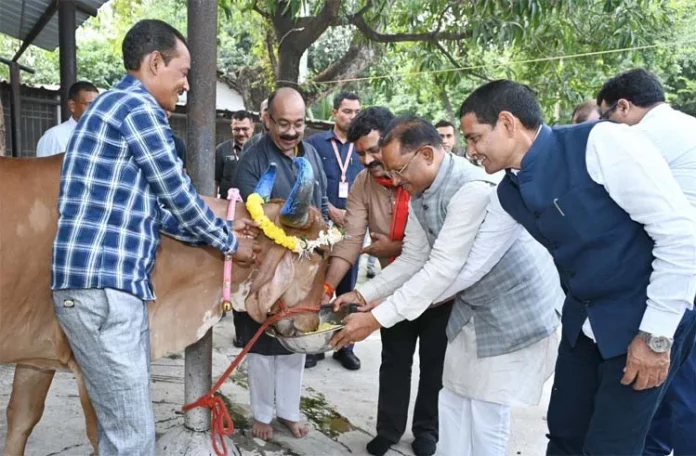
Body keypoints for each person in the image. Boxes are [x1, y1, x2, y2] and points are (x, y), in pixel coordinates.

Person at [50, 20, 256, 455]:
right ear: (154, 62)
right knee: (134, 439)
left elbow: (159, 211)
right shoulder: (137, 108)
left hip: (93, 288)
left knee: (118, 430)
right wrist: (229, 241)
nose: (185, 85)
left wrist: (223, 229)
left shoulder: (111, 107)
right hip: (105, 289)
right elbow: (178, 195)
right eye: (182, 72)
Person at [458, 79, 696, 455]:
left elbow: (681, 235)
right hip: (582, 321)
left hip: (643, 319)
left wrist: (656, 336)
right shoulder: (508, 191)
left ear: (507, 123)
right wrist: (386, 306)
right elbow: (470, 263)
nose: (470, 151)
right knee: (565, 435)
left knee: (611, 447)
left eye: (475, 138)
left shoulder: (602, 143)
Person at [331, 116, 562, 456]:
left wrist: (377, 318)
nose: (395, 180)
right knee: (454, 400)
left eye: (399, 170)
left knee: (484, 414)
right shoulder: (421, 189)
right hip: (472, 310)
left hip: (509, 314)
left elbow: (441, 268)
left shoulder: (471, 189)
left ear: (427, 154)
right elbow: (412, 257)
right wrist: (364, 293)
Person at [322, 107, 450, 455]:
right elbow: (351, 239)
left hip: (441, 290)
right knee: (395, 359)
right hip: (390, 287)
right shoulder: (364, 184)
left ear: (395, 141)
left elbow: (438, 251)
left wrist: (393, 245)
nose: (367, 159)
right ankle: (389, 429)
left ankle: (427, 430)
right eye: (360, 152)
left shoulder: (426, 177)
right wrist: (328, 288)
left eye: (373, 149)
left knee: (434, 363)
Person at [596, 68, 696, 456]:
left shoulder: (638, 138)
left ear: (623, 106)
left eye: (606, 117)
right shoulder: (685, 125)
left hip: (680, 279)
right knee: (676, 390)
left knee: (677, 391)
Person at [232, 86, 329, 441]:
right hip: (262, 268)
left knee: (294, 343)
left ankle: (288, 410)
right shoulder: (253, 159)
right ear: (267, 119)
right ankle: (261, 413)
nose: (291, 132)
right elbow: (250, 217)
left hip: (302, 268)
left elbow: (320, 203)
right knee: (261, 347)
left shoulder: (312, 154)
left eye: (299, 124)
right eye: (283, 123)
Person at [305, 92, 363, 370]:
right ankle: (314, 344)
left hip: (353, 227)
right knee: (318, 283)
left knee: (347, 287)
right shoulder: (315, 144)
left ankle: (344, 345)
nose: (352, 117)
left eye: (356, 112)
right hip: (322, 225)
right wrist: (328, 209)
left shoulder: (362, 147)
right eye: (347, 111)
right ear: (334, 113)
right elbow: (309, 182)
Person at [36, 81, 99, 157]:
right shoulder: (54, 136)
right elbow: (43, 168)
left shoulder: (102, 135)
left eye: (98, 104)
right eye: (89, 104)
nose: (96, 109)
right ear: (72, 105)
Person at [215, 109, 254, 199]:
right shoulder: (221, 150)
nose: (241, 133)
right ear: (231, 127)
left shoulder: (260, 150)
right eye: (236, 129)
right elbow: (215, 181)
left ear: (253, 127)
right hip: (226, 203)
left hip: (252, 205)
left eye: (245, 129)